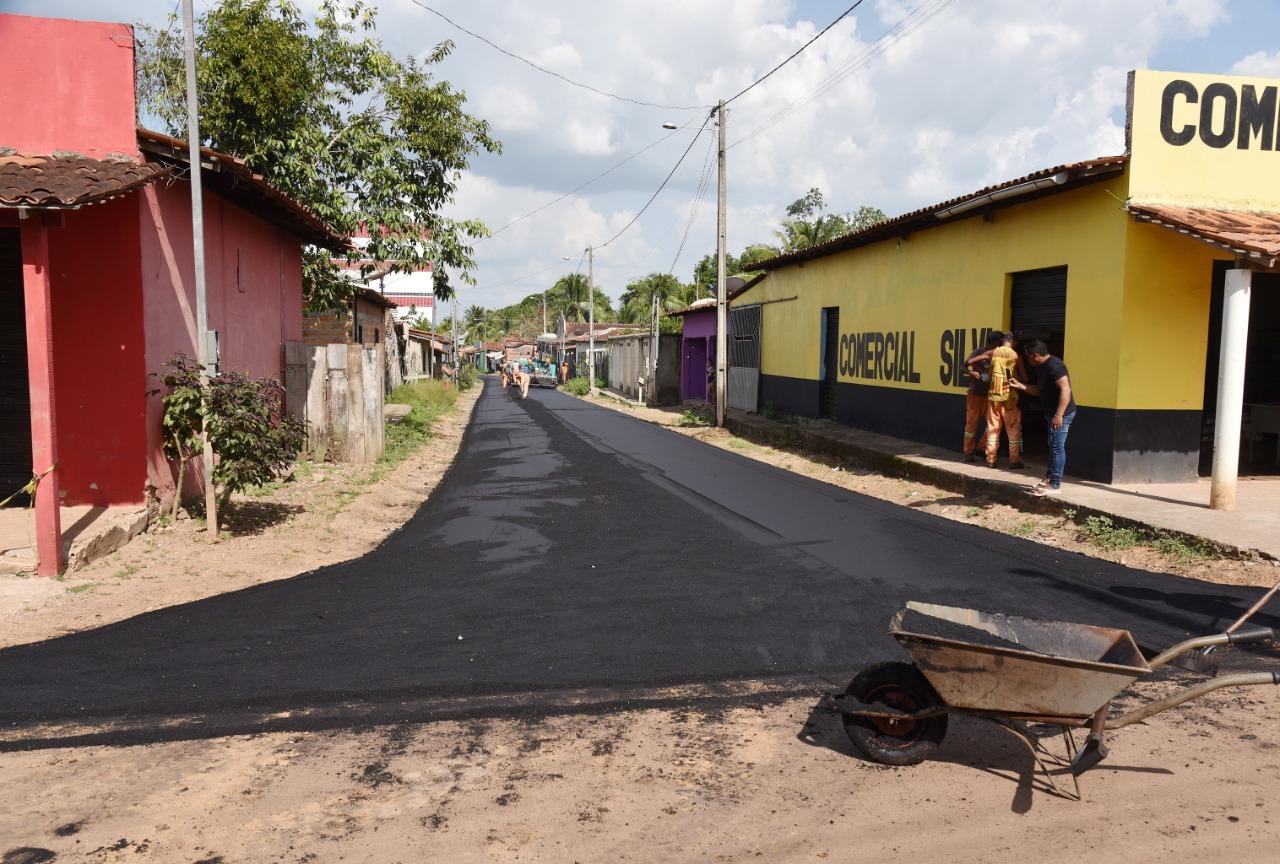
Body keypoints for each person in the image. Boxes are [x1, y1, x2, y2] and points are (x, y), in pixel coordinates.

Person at [1009, 340, 1075, 496]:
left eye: (1027, 357)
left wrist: (1059, 415)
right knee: (1052, 446)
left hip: (1062, 414)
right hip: (1051, 413)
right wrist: (1021, 386)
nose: (1027, 360)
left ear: (1035, 356)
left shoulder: (1054, 366)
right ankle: (1049, 478)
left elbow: (1066, 389)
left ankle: (1055, 484)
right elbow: (1040, 390)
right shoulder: (1042, 367)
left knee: (1057, 448)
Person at [967, 332, 1024, 469]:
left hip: (993, 397)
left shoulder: (993, 352)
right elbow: (1024, 377)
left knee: (993, 429)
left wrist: (979, 371)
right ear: (1014, 342)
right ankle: (1014, 460)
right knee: (1013, 429)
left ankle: (991, 460)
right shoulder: (1016, 356)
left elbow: (969, 362)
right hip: (1010, 398)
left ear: (1003, 340)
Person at [961, 331, 1001, 463]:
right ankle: (968, 451)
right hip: (976, 394)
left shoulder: (999, 354)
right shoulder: (979, 352)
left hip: (991, 395)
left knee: (993, 424)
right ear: (993, 342)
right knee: (972, 424)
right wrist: (972, 372)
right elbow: (962, 368)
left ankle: (983, 447)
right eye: (998, 343)